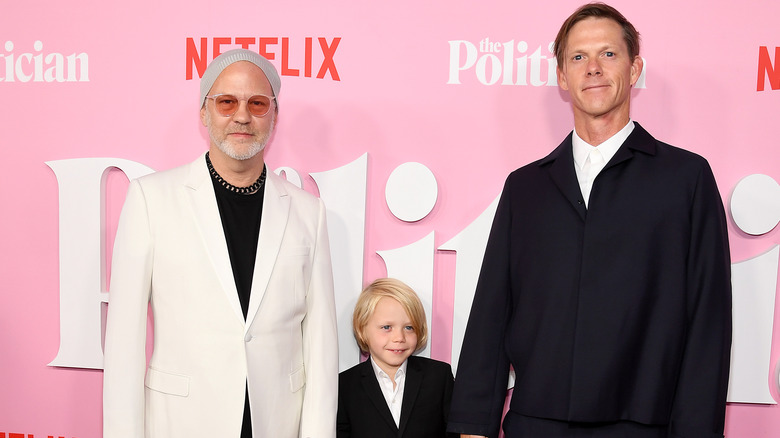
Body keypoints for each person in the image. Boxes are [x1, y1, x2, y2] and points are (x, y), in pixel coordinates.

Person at [447, 3, 732, 438]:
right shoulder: (526, 187)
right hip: (536, 423)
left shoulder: (686, 179)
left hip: (643, 424)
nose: (593, 68)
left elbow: (707, 321)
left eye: (609, 54)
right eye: (578, 57)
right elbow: (492, 311)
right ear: (562, 77)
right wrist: (472, 425)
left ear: (634, 68)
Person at [102, 49, 338, 438]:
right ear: (204, 113)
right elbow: (124, 346)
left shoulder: (309, 212)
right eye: (227, 102)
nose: (242, 115)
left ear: (274, 116)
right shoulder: (150, 200)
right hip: (181, 423)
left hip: (276, 422)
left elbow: (321, 346)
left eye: (257, 103)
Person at [337, 278, 456, 438]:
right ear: (362, 329)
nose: (399, 337)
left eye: (409, 327)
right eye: (387, 327)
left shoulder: (439, 376)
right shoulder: (344, 386)